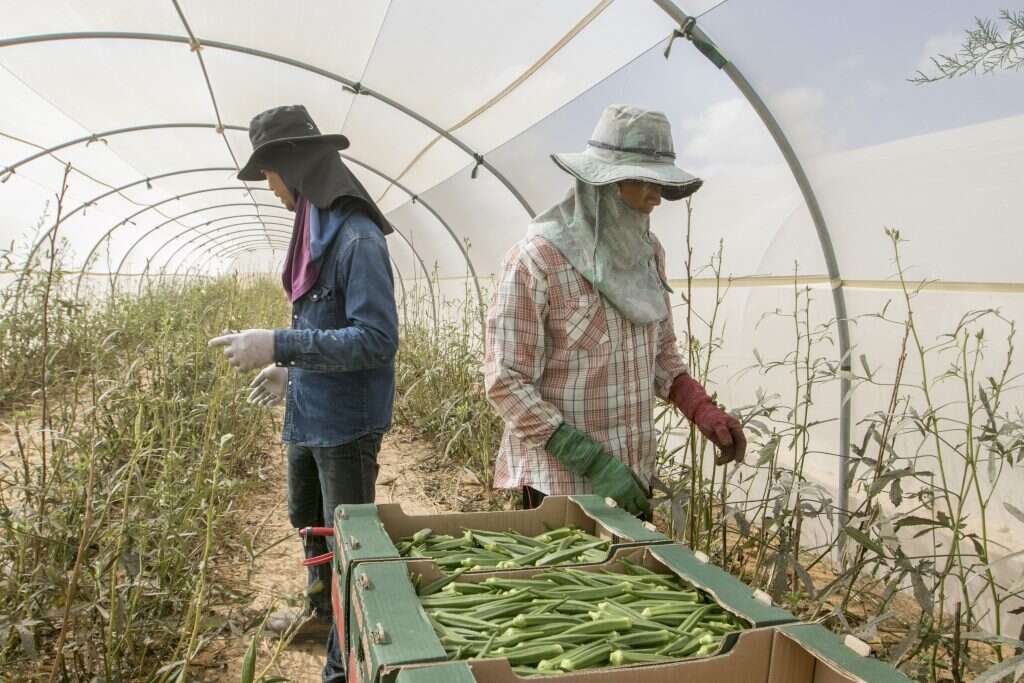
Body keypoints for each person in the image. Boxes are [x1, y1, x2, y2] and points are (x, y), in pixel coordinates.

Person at [208, 104, 398, 683]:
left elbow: (375, 340)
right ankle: (321, 615)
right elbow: (329, 322)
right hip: (312, 408)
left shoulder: (356, 240)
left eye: (268, 175)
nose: (269, 189)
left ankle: (342, 664)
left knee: (348, 544)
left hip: (345, 423)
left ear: (292, 166)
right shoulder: (313, 227)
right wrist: (293, 373)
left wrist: (280, 345)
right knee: (308, 518)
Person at [484, 104, 746, 516]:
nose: (655, 196)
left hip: (633, 476)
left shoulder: (648, 255)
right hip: (561, 487)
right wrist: (591, 461)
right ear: (602, 185)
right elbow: (506, 382)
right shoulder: (538, 261)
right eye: (642, 181)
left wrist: (700, 407)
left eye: (660, 183)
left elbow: (661, 353)